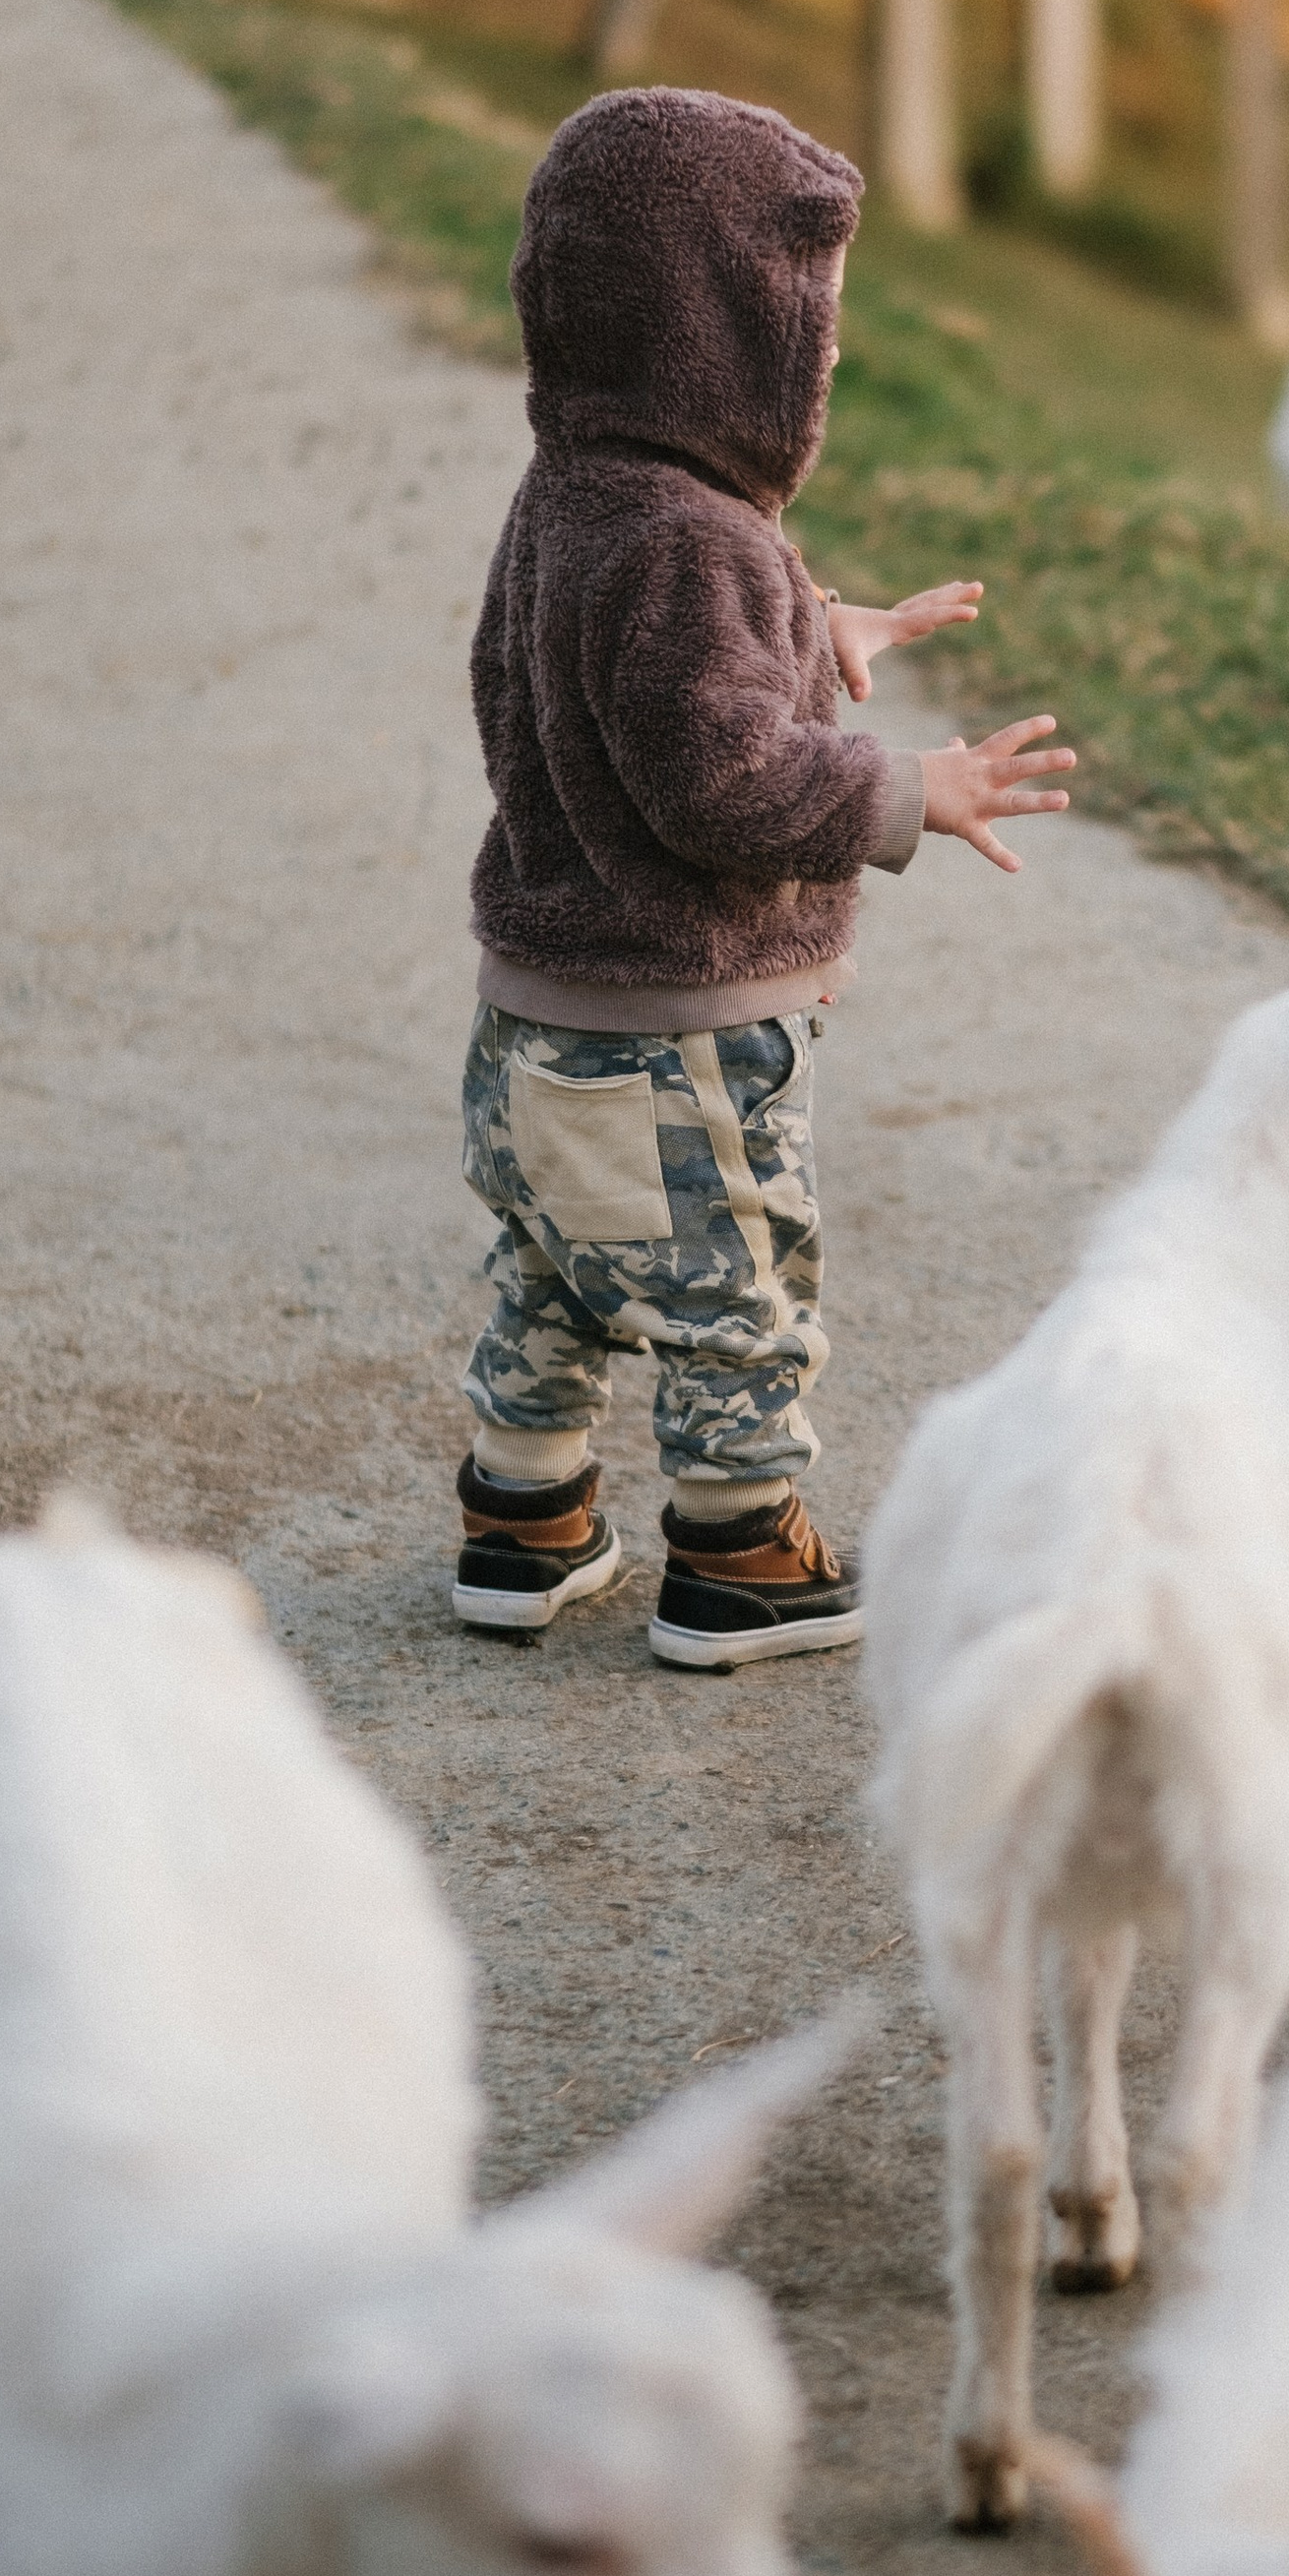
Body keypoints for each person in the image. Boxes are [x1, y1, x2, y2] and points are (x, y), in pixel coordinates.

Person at [449, 83, 1071, 1669]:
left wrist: (823, 625)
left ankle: (522, 1523)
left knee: (557, 1273)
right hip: (683, 1035)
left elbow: (616, 671)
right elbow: (717, 765)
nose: (827, 355)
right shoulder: (687, 542)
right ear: (700, 329)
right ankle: (739, 1557)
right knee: (737, 1293)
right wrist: (901, 787)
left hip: (537, 1016)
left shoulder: (583, 493)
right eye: (802, 321)